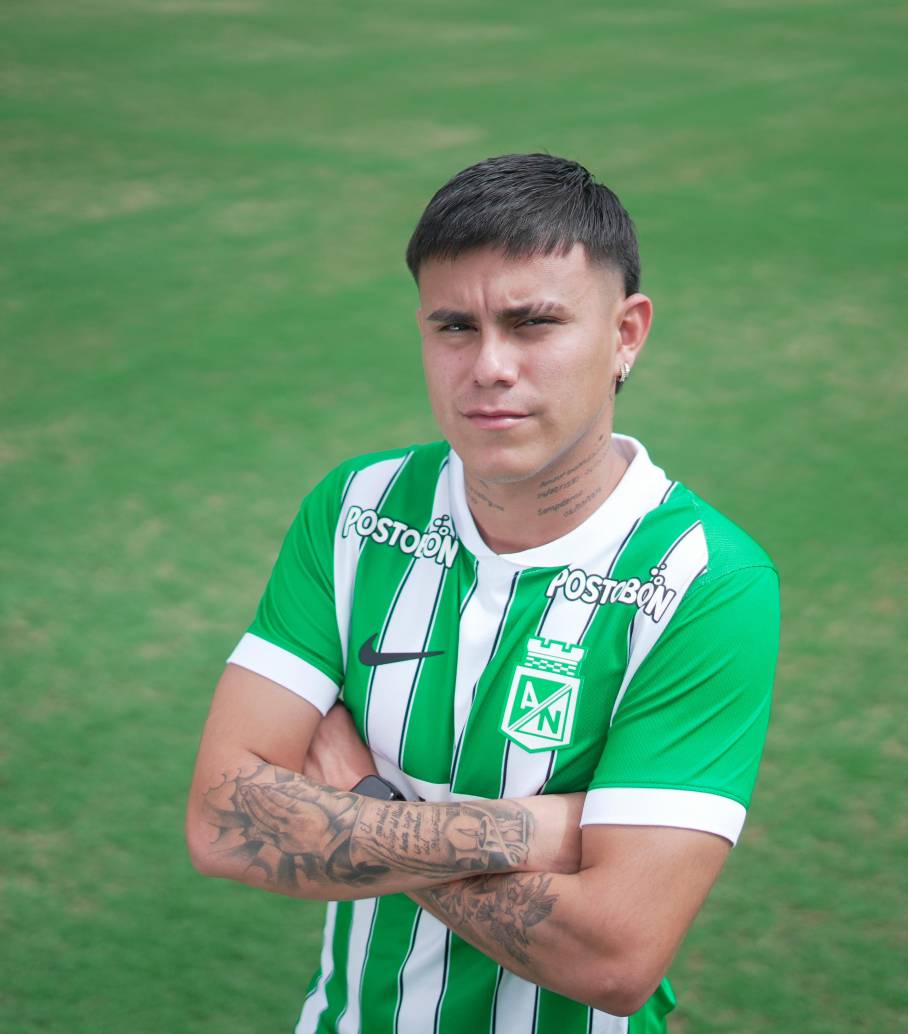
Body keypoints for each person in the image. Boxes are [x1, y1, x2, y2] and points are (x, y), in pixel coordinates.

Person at [186, 152, 780, 1033]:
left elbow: (616, 957)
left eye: (534, 323)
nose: (488, 366)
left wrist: (367, 801)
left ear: (626, 334)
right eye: (455, 327)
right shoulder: (357, 511)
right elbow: (223, 822)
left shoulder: (703, 580)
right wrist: (545, 830)